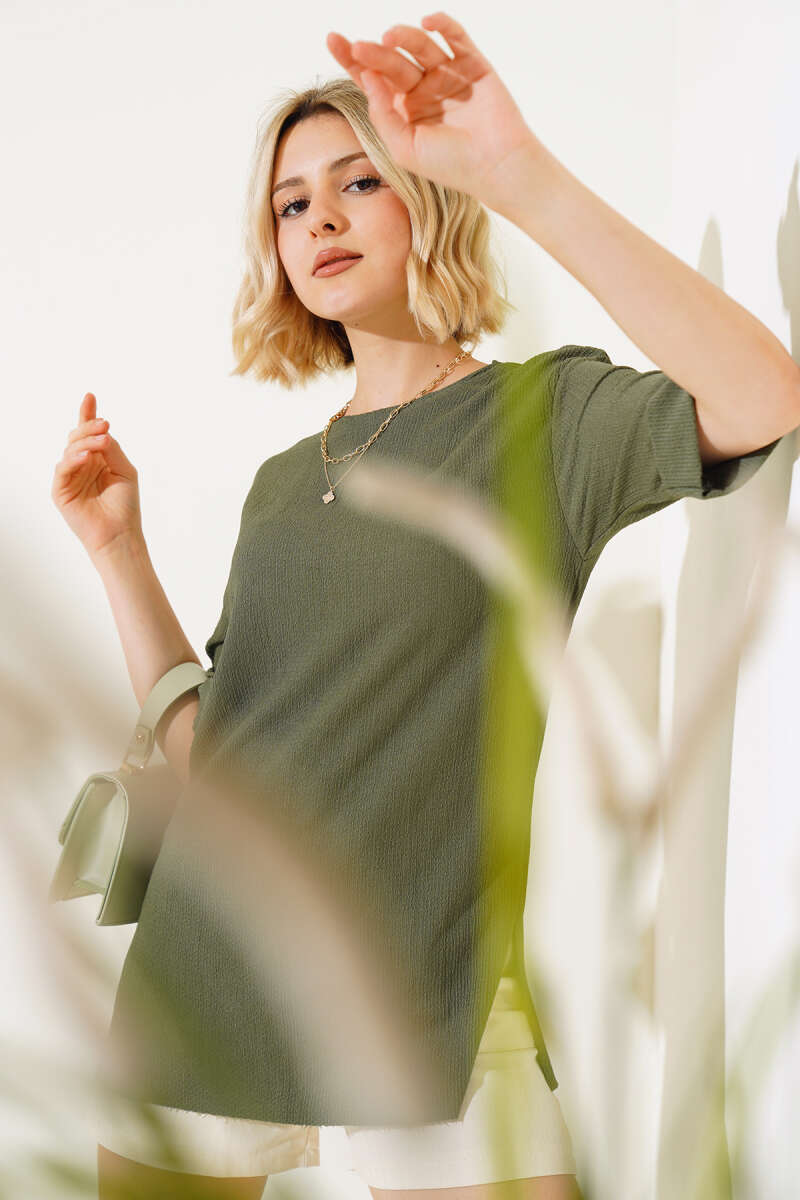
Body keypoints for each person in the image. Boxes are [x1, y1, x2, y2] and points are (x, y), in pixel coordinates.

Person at [51, 12, 796, 1200]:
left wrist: (519, 174)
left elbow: (762, 396)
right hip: (210, 973)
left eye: (357, 181)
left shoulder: (541, 422)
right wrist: (118, 551)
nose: (320, 219)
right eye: (291, 203)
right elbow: (218, 763)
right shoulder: (282, 484)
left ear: (428, 200)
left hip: (434, 995)